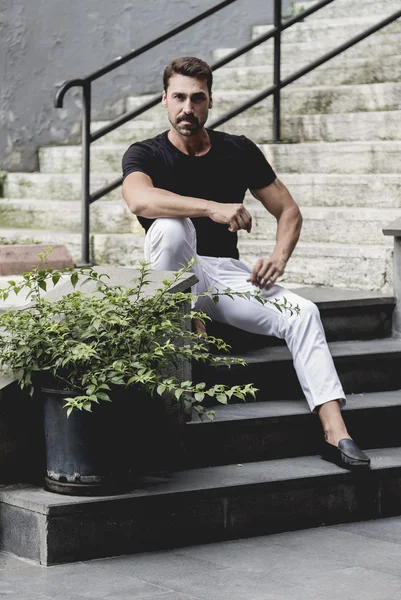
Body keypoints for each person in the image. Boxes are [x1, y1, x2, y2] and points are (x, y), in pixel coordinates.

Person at [122, 56, 370, 470]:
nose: (188, 108)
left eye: (197, 98)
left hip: (224, 276)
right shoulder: (146, 153)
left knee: (303, 312)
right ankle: (184, 319)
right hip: (175, 276)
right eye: (179, 97)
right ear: (164, 99)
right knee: (170, 227)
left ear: (210, 101)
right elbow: (139, 199)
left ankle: (335, 431)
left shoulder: (237, 149)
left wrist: (278, 256)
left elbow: (288, 210)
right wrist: (211, 208)